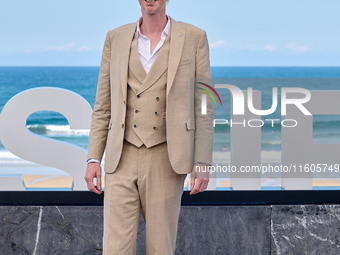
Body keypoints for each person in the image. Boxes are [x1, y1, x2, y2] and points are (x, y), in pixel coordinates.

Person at [84, 0, 214, 254]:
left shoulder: (195, 37)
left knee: (160, 248)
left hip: (167, 157)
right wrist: (93, 158)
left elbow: (204, 107)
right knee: (115, 249)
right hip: (121, 157)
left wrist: (203, 161)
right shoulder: (115, 38)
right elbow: (103, 105)